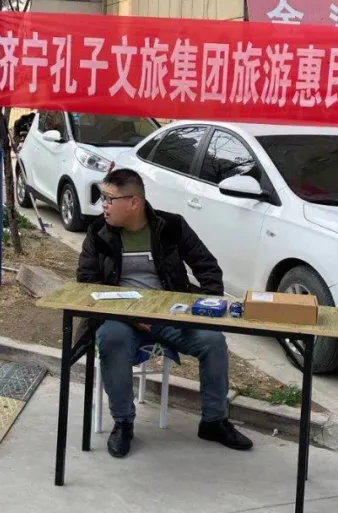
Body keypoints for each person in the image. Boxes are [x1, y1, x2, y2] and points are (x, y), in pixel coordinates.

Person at [76, 168, 253, 458]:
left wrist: (203, 308)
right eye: (102, 198)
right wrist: (132, 317)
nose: (103, 205)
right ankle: (123, 422)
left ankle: (214, 421)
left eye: (109, 199)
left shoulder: (171, 226)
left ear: (134, 202)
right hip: (122, 318)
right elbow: (87, 283)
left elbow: (207, 267)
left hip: (171, 317)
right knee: (111, 339)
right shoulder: (98, 233)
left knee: (213, 341)